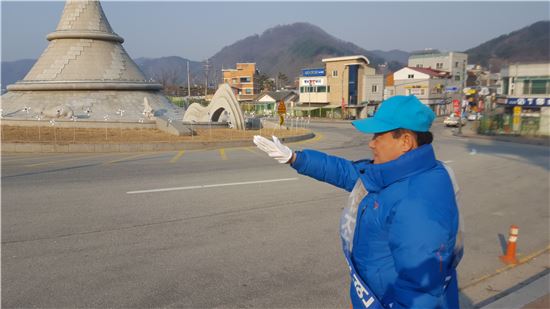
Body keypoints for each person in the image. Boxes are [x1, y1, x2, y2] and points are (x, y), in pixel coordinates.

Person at [253, 95, 463, 309]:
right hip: (374, 297)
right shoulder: (395, 174)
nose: (371, 143)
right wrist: (295, 158)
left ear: (405, 142)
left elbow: (419, 292)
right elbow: (346, 173)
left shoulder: (418, 200)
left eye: (378, 135)